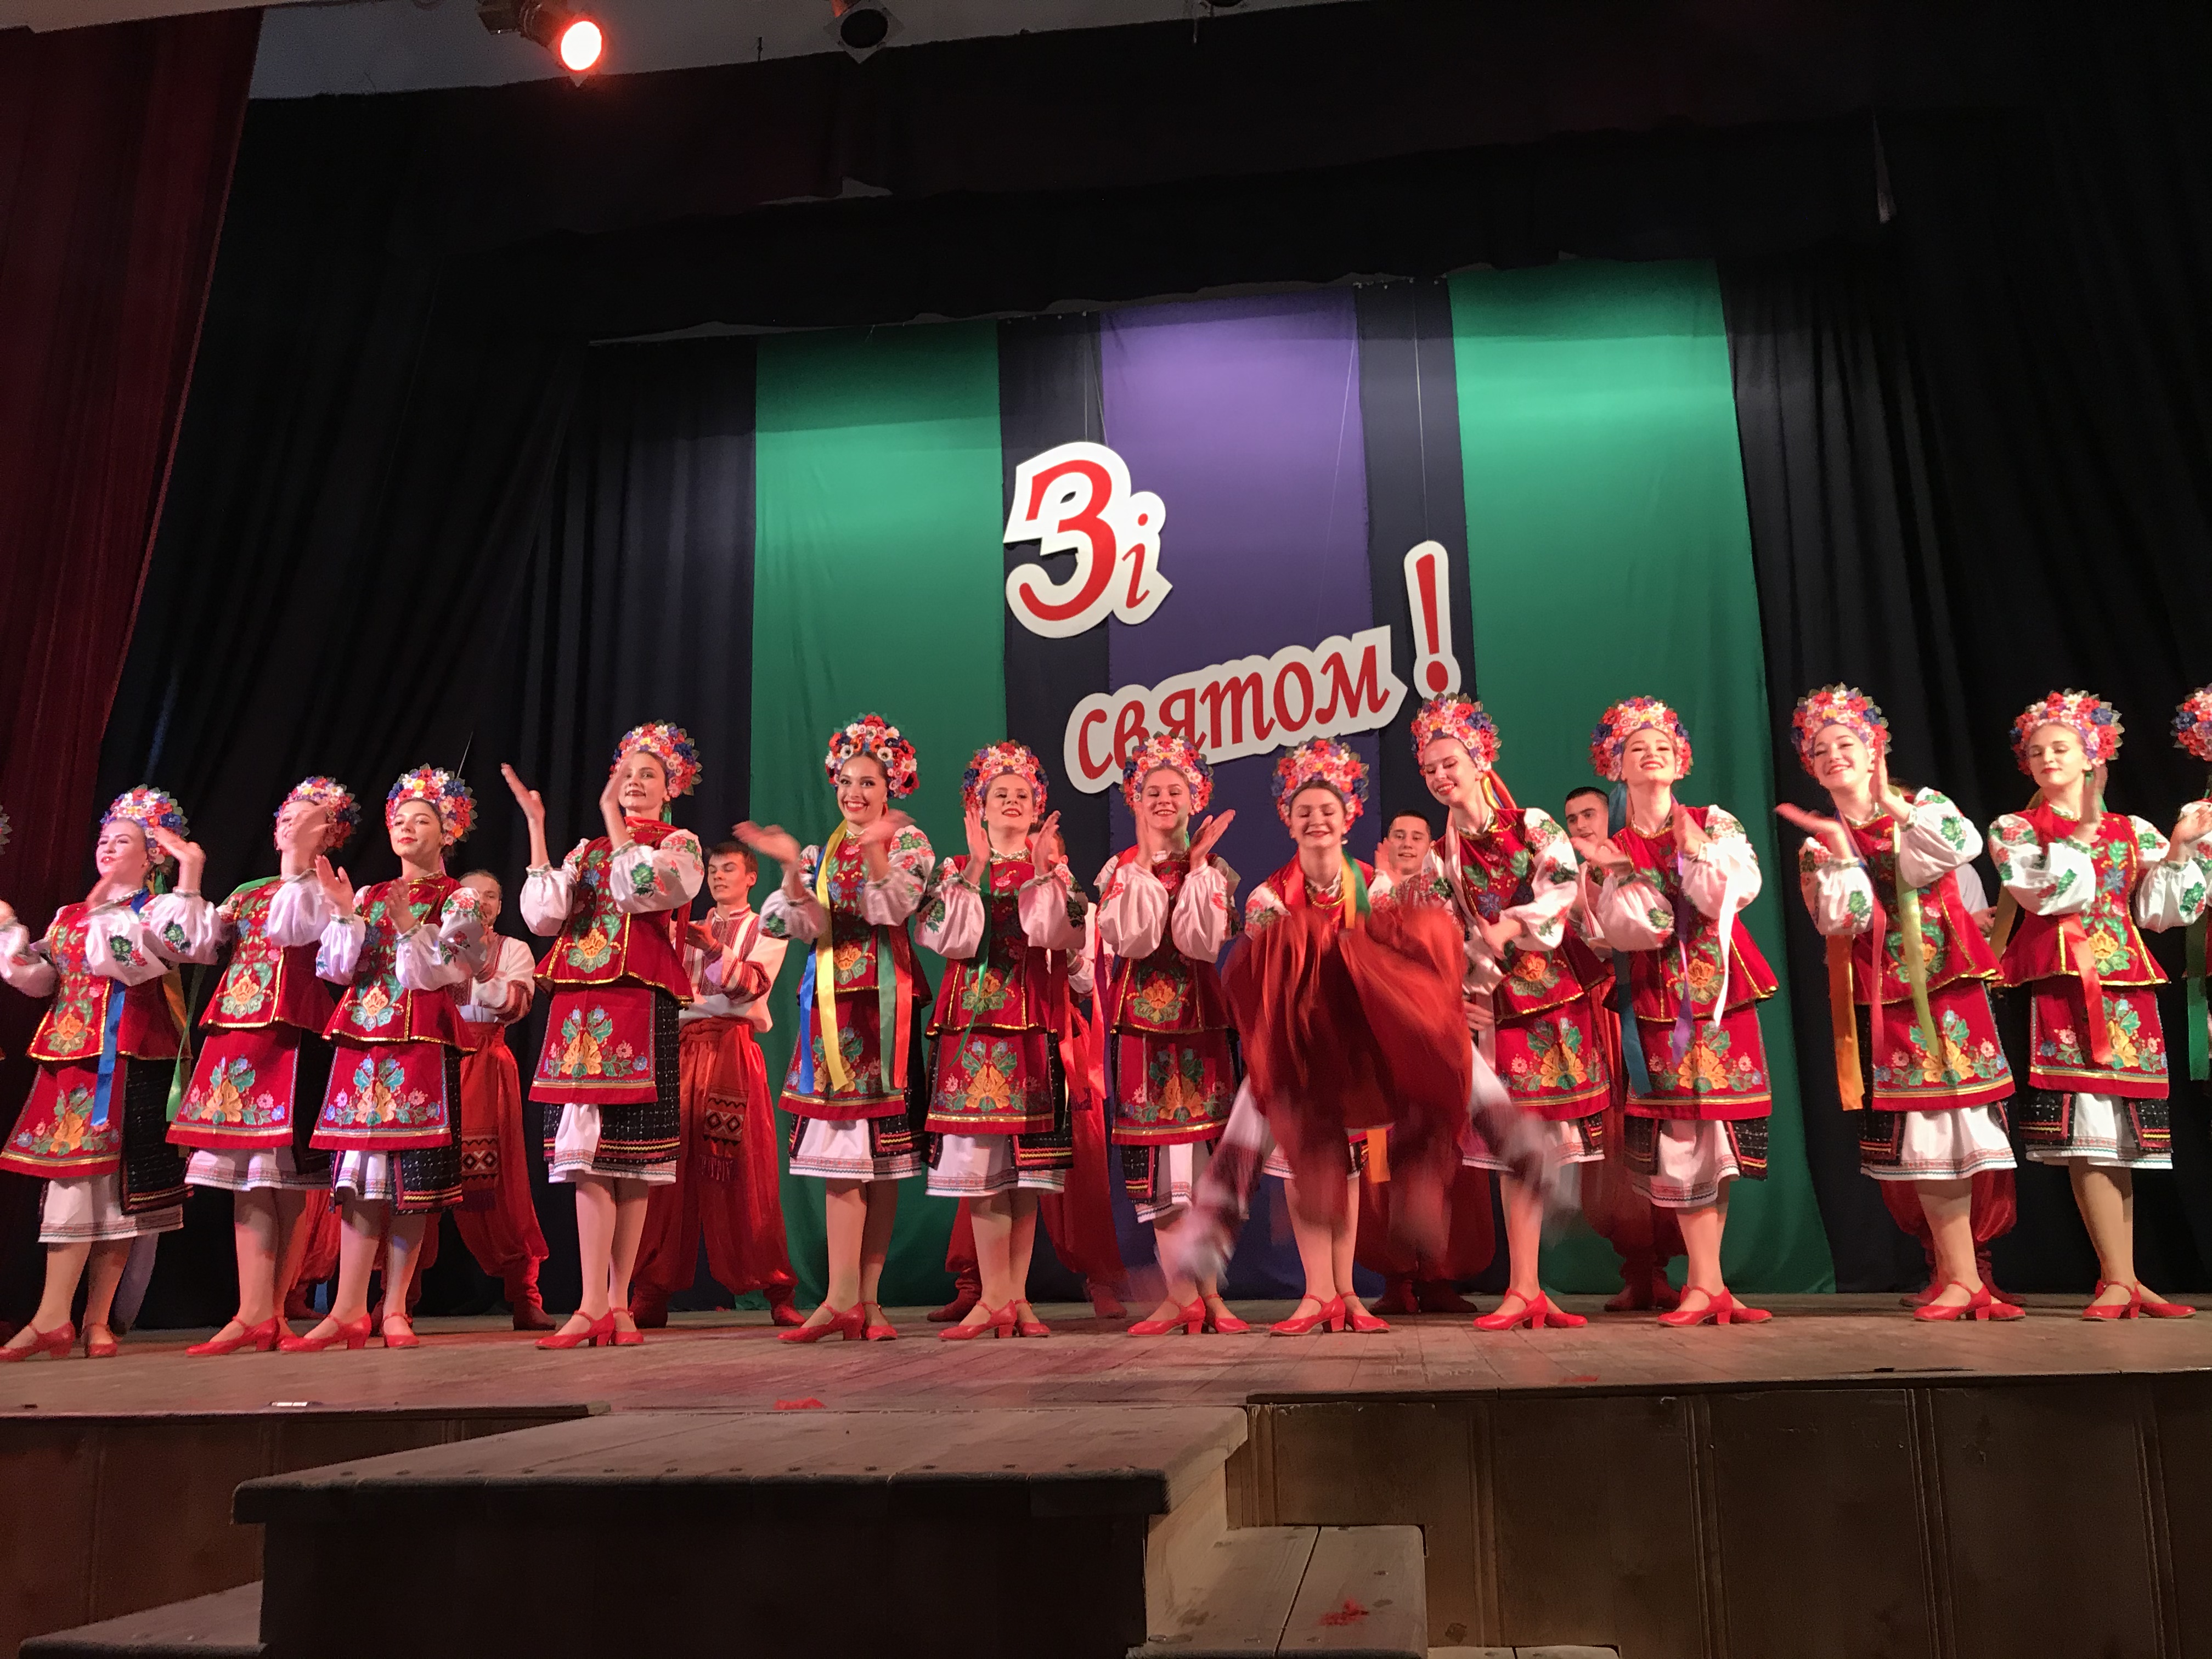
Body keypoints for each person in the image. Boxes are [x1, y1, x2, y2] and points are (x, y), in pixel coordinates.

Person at [1778, 685, 2022, 1321]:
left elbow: (1957, 849)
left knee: (1964, 1129)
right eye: (1820, 751)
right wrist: (1840, 851)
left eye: (1846, 743)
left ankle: (1969, 1276)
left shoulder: (1923, 808)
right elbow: (1845, 919)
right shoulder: (1819, 845)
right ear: (1812, 768)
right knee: (1928, 1135)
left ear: (1874, 751)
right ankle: (1959, 1277)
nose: (1834, 755)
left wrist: (1891, 804)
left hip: (1951, 987)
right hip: (1889, 999)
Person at [1989, 690, 2210, 1318]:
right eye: (2037, 752)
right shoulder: (2015, 831)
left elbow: (2167, 912)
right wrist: (2081, 831)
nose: (2047, 758)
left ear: (2093, 756)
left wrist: (2180, 848)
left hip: (2126, 986)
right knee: (2088, 1135)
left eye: (2061, 748)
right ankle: (2116, 1277)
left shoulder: (2132, 830)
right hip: (2064, 986)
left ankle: (2127, 1277)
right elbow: (2051, 895)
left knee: (2119, 1141)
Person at [1400, 696, 1610, 1332]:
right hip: (1497, 1005)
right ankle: (1524, 1288)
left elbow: (1563, 887)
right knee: (1517, 1141)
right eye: (1431, 768)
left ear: (1481, 760)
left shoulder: (1533, 823)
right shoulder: (1442, 855)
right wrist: (1460, 981)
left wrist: (1510, 927)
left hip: (1552, 997)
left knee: (1544, 1139)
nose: (1441, 775)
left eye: (1451, 763)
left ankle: (1529, 1287)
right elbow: (1442, 934)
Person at [509, 724, 706, 1350]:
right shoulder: (586, 850)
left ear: (671, 788)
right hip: (580, 1002)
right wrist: (537, 830)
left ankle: (613, 1303)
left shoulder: (678, 845)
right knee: (586, 1153)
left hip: (638, 1000)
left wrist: (616, 832)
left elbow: (644, 892)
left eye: (650, 774)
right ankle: (597, 1303)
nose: (636, 782)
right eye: (628, 772)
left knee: (631, 1159)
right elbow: (544, 917)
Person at [1586, 697, 1779, 1327]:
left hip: (1722, 995)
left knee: (1716, 1134)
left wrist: (1696, 849)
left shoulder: (1713, 821)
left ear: (1682, 761)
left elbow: (1736, 892)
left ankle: (1708, 1282)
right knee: (1685, 1136)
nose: (1651, 754)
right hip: (1659, 1003)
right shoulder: (1612, 848)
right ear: (1616, 766)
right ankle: (1705, 1284)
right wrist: (1627, 875)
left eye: (1663, 746)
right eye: (1636, 748)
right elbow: (1637, 931)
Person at [281, 767, 487, 1352]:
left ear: (448, 833)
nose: (406, 827)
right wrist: (345, 913)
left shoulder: (460, 898)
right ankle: (348, 1308)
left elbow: (453, 970)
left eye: (422, 820)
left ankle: (394, 1306)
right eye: (399, 819)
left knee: (409, 1181)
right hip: (364, 1040)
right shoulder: (368, 892)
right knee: (359, 1179)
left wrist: (407, 928)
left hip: (421, 1040)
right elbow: (336, 970)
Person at [744, 714, 934, 1344]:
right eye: (846, 782)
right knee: (842, 1162)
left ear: (890, 787)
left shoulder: (909, 843)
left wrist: (876, 846)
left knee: (882, 1162)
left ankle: (865, 1301)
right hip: (828, 1013)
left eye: (868, 782)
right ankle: (841, 1299)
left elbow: (894, 906)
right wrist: (789, 870)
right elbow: (791, 924)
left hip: (884, 1010)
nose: (854, 793)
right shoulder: (818, 854)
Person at [160, 778, 354, 1356]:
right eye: (286, 814)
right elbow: (189, 946)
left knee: (284, 1180)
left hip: (291, 1035)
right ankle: (253, 1312)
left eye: (307, 815)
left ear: (331, 833)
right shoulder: (247, 892)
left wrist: (302, 865)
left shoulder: (326, 888)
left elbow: (293, 932)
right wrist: (191, 874)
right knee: (244, 1176)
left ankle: (272, 1308)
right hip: (236, 1033)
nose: (290, 820)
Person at [0, 789, 193, 1359]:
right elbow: (43, 979)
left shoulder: (159, 911)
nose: (106, 848)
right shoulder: (69, 914)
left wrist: (108, 912)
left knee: (119, 1190)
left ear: (152, 855)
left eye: (122, 841)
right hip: (72, 1058)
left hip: (131, 1057)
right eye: (104, 839)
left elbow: (133, 966)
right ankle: (54, 1316)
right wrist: (9, 933)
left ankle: (95, 1320)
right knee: (72, 1182)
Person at [917, 742, 1088, 1339]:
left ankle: (1015, 1297)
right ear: (979, 807)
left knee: (1027, 1173)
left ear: (1037, 808)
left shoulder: (1054, 871)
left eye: (1022, 795)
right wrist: (975, 868)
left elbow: (1061, 935)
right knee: (983, 1168)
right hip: (974, 1026)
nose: (1012, 802)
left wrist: (1042, 872)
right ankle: (993, 1296)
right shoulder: (954, 869)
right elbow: (947, 939)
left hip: (1033, 1022)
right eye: (1000, 794)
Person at [1232, 739, 1394, 1335]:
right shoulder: (1267, 897)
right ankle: (1315, 1292)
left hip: (1354, 1053)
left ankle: (1346, 1292)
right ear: (1288, 819)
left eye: (1328, 809)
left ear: (1349, 817)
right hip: (1296, 1052)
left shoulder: (1376, 887)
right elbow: (1273, 980)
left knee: (1345, 1173)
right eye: (1304, 811)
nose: (1317, 819)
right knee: (1306, 1171)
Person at [1093, 733, 1244, 1337]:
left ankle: (1210, 1296)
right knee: (1156, 1164)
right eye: (1151, 791)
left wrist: (1199, 868)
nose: (1163, 799)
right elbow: (1132, 941)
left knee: (1205, 1166)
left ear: (1195, 797)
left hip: (1201, 1029)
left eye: (1174, 790)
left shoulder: (1217, 871)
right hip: (1142, 1031)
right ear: (1135, 800)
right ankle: (1180, 1295)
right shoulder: (1119, 870)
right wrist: (1146, 868)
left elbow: (1201, 945)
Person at [630, 840, 802, 1329]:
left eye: (730, 868)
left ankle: (777, 1289)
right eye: (713, 869)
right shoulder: (679, 926)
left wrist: (712, 948)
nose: (719, 876)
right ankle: (651, 1288)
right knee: (665, 1171)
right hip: (680, 1050)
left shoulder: (766, 926)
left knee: (743, 1170)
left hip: (731, 1049)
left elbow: (752, 985)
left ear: (751, 877)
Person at [1561, 783, 1684, 1313]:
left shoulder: (1637, 865)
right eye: (1571, 819)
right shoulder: (1566, 880)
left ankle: (1671, 1265)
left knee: (1663, 1130)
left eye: (1589, 813)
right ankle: (1637, 1267)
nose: (1580, 825)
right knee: (1611, 1142)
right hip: (1596, 1017)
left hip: (1645, 1007)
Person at [449, 870, 554, 1331]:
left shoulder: (513, 950)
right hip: (434, 1060)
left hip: (487, 1060)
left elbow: (515, 1004)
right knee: (414, 1177)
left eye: (491, 896)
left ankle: (524, 1293)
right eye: (472, 895)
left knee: (500, 1182)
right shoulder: (432, 943)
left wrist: (475, 970)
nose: (482, 903)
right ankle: (397, 1299)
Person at [1375, 811, 1435, 894]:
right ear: (1386, 844)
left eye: (1417, 838)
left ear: (1431, 847)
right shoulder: (1364, 887)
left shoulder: (1445, 894)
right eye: (1399, 837)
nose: (1407, 844)